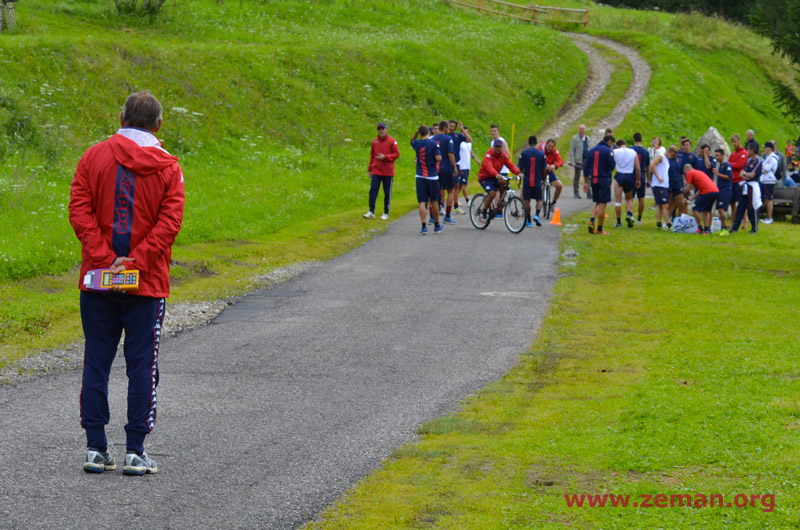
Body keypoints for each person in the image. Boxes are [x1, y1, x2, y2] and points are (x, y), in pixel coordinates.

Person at [69, 90, 185, 475]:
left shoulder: (92, 156)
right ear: (159, 124)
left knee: (96, 361)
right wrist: (134, 263)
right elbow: (169, 225)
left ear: (121, 117)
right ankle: (135, 450)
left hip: (97, 280)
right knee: (142, 365)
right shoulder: (169, 167)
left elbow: (79, 211)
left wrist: (106, 260)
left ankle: (95, 448)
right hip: (147, 284)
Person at [477, 139, 522, 222]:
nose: (498, 148)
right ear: (493, 147)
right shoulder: (488, 155)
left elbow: (510, 165)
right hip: (485, 177)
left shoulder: (502, 155)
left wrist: (518, 173)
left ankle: (497, 205)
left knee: (505, 184)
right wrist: (497, 174)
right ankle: (483, 213)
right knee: (492, 193)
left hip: (495, 177)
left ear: (502, 147)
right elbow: (489, 167)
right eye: (496, 146)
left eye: (499, 147)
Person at [411, 124, 443, 235]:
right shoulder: (434, 144)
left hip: (420, 176)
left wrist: (416, 131)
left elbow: (412, 140)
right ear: (428, 133)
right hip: (432, 176)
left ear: (420, 134)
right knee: (434, 201)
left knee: (422, 202)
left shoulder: (417, 143)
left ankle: (424, 227)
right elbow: (438, 158)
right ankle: (437, 225)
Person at [365, 122, 399, 220]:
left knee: (387, 192)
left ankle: (386, 212)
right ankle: (371, 211)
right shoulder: (374, 142)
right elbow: (372, 156)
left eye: (382, 129)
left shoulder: (392, 141)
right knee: (373, 190)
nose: (381, 131)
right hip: (376, 170)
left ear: (386, 130)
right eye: (379, 129)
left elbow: (397, 154)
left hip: (388, 172)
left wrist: (386, 157)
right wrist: (370, 170)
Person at [584, 134, 616, 235]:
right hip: (603, 179)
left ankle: (591, 221)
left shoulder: (592, 150)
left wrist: (585, 182)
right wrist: (612, 154)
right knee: (603, 204)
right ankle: (600, 229)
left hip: (593, 179)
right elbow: (612, 166)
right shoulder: (608, 151)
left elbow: (586, 167)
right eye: (612, 144)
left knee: (597, 203)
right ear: (610, 141)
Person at [730, 142, 762, 234]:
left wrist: (746, 175)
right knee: (740, 207)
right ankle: (735, 227)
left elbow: (752, 175)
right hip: (745, 186)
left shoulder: (758, 161)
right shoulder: (748, 161)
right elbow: (741, 173)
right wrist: (746, 175)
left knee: (752, 208)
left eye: (748, 149)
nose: (747, 151)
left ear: (752, 150)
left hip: (752, 187)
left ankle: (754, 228)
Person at [431, 120, 457, 224]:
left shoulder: (432, 139)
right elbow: (451, 154)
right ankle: (447, 216)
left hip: (435, 169)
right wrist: (455, 168)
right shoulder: (448, 138)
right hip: (446, 168)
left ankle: (433, 217)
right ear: (445, 128)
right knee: (451, 190)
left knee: (435, 192)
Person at [518, 135, 547, 228]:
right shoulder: (542, 154)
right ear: (536, 142)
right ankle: (537, 215)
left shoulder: (523, 153)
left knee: (527, 201)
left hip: (527, 181)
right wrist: (544, 179)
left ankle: (529, 220)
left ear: (528, 142)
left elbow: (520, 169)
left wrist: (520, 180)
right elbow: (544, 169)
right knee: (539, 199)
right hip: (537, 180)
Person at [612, 138, 641, 228]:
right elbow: (638, 168)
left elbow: (611, 164)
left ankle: (618, 222)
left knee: (618, 201)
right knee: (628, 199)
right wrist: (638, 179)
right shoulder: (633, 152)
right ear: (625, 145)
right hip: (629, 176)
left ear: (618, 145)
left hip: (619, 175)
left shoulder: (615, 151)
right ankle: (629, 214)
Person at [684, 165, 719, 234]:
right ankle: (706, 229)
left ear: (685, 170)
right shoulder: (699, 172)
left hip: (707, 192)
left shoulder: (689, 173)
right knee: (707, 210)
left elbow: (687, 189)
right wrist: (692, 198)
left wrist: (686, 198)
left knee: (695, 209)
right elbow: (700, 190)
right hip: (715, 191)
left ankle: (700, 228)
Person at [448, 120, 473, 213]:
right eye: (450, 126)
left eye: (454, 126)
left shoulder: (457, 136)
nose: (452, 127)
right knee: (443, 186)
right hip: (447, 163)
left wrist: (463, 130)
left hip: (457, 163)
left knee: (456, 185)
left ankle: (456, 206)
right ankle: (441, 205)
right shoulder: (445, 136)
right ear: (447, 126)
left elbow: (469, 140)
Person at [455, 125, 480, 213]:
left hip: (467, 166)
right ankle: (468, 201)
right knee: (463, 185)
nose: (466, 134)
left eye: (467, 132)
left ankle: (455, 199)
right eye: (464, 132)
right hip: (461, 166)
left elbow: (471, 152)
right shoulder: (460, 142)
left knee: (462, 185)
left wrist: (477, 160)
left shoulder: (468, 142)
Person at [728, 134, 750, 231]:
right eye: (733, 142)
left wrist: (731, 164)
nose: (734, 144)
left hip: (740, 181)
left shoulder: (744, 153)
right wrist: (732, 164)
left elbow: (739, 165)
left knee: (741, 203)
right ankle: (732, 222)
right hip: (732, 180)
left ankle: (744, 223)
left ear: (739, 141)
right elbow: (729, 163)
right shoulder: (733, 154)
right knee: (732, 203)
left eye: (735, 142)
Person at [649, 144, 672, 230]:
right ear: (669, 152)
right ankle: (668, 224)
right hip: (659, 185)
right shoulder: (661, 157)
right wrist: (658, 177)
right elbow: (652, 165)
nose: (672, 157)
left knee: (659, 204)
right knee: (665, 205)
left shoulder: (666, 159)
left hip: (664, 185)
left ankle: (658, 223)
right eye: (672, 155)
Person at [712, 148, 733, 235]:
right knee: (720, 209)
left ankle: (725, 229)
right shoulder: (720, 165)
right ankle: (722, 228)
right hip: (720, 190)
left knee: (721, 209)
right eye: (715, 155)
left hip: (726, 190)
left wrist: (718, 173)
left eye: (718, 155)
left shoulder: (727, 165)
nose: (716, 157)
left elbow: (729, 177)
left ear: (723, 155)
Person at [538, 138, 565, 207]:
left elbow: (560, 161)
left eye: (552, 147)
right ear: (546, 144)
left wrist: (554, 165)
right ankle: (524, 207)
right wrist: (544, 165)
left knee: (559, 185)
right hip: (539, 171)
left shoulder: (554, 152)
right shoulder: (540, 149)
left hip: (549, 171)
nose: (550, 148)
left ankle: (553, 203)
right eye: (549, 146)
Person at [632, 133, 650, 225]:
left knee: (630, 198)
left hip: (632, 176)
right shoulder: (646, 152)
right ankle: (639, 219)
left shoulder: (630, 150)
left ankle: (630, 215)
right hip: (642, 176)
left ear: (633, 139)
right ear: (641, 139)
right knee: (641, 198)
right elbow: (648, 166)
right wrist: (648, 179)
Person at [760, 141, 779, 224]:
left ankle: (770, 217)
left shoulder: (771, 158)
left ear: (768, 148)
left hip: (769, 180)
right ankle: (767, 216)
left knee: (768, 198)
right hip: (765, 180)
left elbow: (765, 168)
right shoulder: (769, 157)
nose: (764, 149)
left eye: (765, 147)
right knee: (766, 198)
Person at [569, 124, 590, 199]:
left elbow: (589, 148)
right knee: (577, 177)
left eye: (583, 129)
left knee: (588, 176)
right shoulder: (574, 138)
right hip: (578, 160)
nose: (582, 130)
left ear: (585, 130)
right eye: (580, 129)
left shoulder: (588, 138)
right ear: (578, 130)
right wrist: (573, 161)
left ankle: (589, 192)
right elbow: (571, 150)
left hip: (586, 160)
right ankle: (576, 193)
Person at [667, 145, 685, 223]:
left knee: (681, 203)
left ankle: (678, 221)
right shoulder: (666, 160)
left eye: (674, 152)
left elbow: (681, 174)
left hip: (677, 184)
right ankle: (667, 221)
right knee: (671, 204)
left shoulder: (679, 160)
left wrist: (683, 184)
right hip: (669, 184)